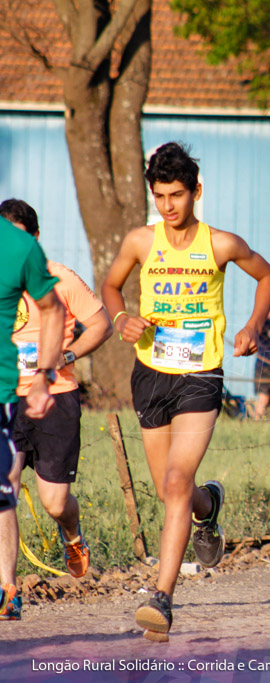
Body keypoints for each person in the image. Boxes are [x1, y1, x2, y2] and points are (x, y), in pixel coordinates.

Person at [101, 142, 270, 639]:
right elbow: (112, 285)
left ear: (196, 192)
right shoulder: (141, 241)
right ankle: (209, 507)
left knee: (176, 482)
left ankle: (162, 598)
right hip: (151, 373)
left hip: (201, 373)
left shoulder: (220, 243)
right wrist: (121, 319)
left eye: (176, 195)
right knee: (170, 490)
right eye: (159, 196)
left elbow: (267, 275)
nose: (168, 206)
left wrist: (253, 325)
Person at [0, 199, 113, 605]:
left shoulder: (60, 278)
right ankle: (7, 590)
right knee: (5, 487)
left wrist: (66, 356)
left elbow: (101, 325)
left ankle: (73, 535)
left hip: (56, 400)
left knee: (55, 502)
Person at [0, 209, 67, 622]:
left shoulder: (21, 248)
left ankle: (6, 586)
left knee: (8, 488)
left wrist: (45, 374)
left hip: (8, 392)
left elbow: (55, 310)